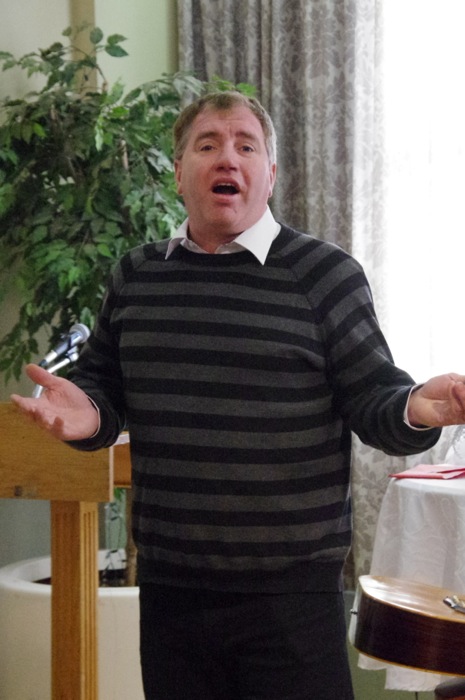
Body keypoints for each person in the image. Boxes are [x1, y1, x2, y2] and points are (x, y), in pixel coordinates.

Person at [11, 91, 465, 700]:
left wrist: (418, 407)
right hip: (172, 591)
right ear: (179, 172)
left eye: (245, 146)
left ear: (269, 174)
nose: (228, 158)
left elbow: (374, 398)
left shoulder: (325, 275)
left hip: (292, 596)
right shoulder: (137, 277)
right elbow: (103, 391)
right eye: (208, 145)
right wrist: (88, 415)